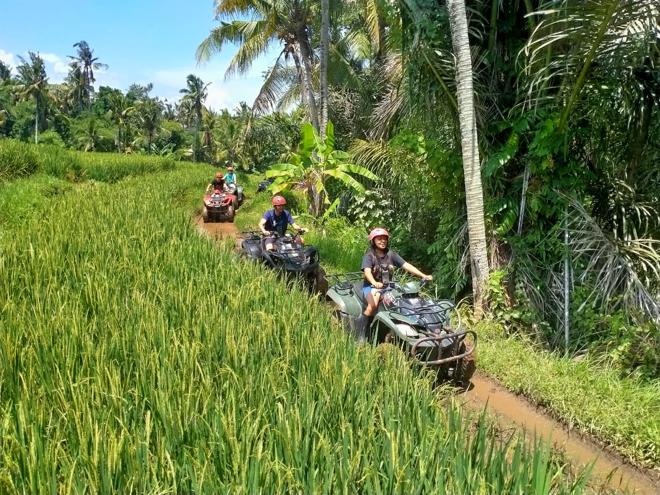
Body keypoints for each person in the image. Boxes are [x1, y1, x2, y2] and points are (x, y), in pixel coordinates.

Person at [354, 227, 433, 342]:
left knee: (405, 301)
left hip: (389, 286)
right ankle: (361, 332)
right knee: (372, 305)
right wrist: (374, 282)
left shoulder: (391, 255)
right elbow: (367, 272)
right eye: (379, 239)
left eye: (384, 239)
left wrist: (423, 275)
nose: (382, 241)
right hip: (371, 287)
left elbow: (406, 265)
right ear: (373, 241)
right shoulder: (369, 256)